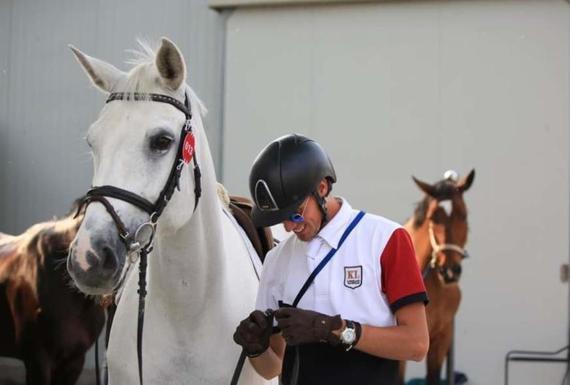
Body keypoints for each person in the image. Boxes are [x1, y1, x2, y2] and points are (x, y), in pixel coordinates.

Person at [233, 134, 429, 385]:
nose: (289, 227)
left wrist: (331, 329)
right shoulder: (276, 260)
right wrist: (256, 349)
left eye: (295, 214)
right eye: (280, 219)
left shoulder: (387, 239)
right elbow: (272, 368)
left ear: (322, 188)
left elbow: (417, 344)